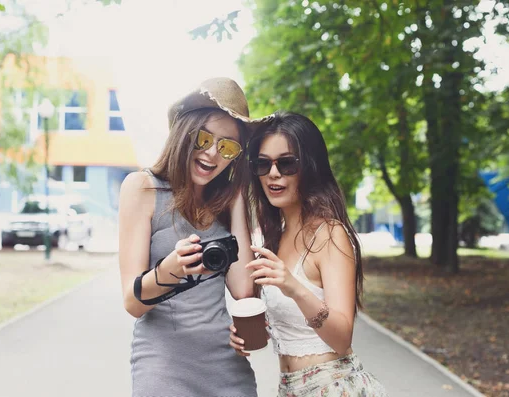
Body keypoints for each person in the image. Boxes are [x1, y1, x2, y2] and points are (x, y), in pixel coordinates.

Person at [118, 77, 272, 397]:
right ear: (184, 133)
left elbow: (244, 290)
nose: (213, 153)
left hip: (227, 368)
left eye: (228, 147)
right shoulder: (142, 188)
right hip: (162, 368)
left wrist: (238, 196)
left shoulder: (227, 202)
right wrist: (171, 269)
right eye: (204, 138)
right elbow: (133, 303)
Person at [229, 111, 388, 396]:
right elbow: (292, 326)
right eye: (263, 164)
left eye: (287, 163)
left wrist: (295, 288)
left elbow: (341, 337)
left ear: (310, 167)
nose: (273, 174)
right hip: (289, 388)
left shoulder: (329, 234)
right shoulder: (275, 237)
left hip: (333, 386)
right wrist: (252, 331)